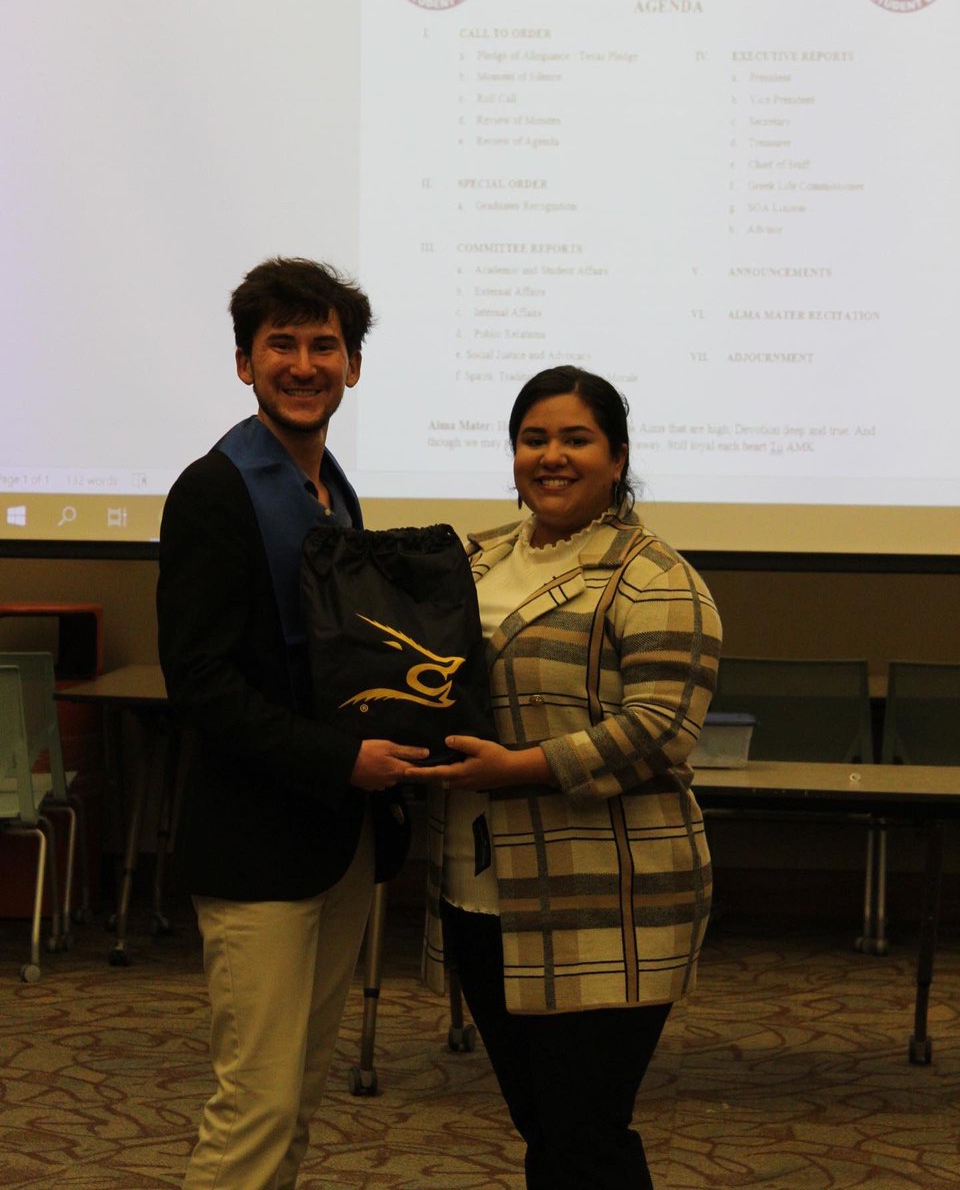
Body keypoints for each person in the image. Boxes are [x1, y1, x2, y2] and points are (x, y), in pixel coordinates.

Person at [408, 366, 722, 1190]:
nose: (551, 456)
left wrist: (520, 768)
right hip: (478, 890)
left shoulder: (657, 577)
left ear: (617, 458)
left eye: (576, 439)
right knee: (544, 1129)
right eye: (534, 438)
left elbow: (661, 729)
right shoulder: (467, 561)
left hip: (608, 896)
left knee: (585, 1133)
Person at [156, 257, 427, 1190]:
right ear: (245, 363)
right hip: (257, 843)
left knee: (299, 1094)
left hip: (337, 838)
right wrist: (341, 758)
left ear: (354, 366)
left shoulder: (332, 493)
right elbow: (200, 684)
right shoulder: (216, 489)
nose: (304, 365)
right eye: (282, 345)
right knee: (256, 1108)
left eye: (324, 345)